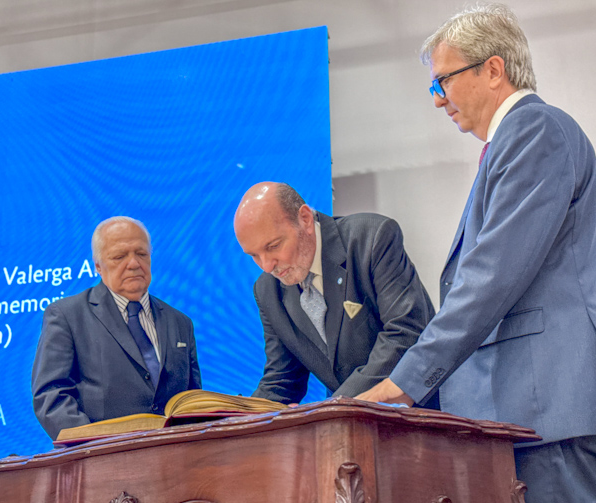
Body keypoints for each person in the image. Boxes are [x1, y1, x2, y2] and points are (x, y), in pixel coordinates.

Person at [357, 4, 596, 501]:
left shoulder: (535, 130)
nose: (437, 99)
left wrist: (405, 383)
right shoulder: (517, 139)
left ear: (493, 69)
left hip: (548, 410)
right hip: (526, 413)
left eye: (442, 80)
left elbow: (491, 276)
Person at [233, 182, 435, 405]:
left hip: (419, 412)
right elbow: (282, 379)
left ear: (305, 219)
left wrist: (335, 405)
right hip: (347, 419)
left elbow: (405, 332)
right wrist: (236, 416)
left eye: (273, 246)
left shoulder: (371, 239)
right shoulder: (267, 290)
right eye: (254, 255)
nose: (267, 266)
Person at [32, 216, 201, 440]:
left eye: (141, 254)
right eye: (119, 256)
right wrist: (93, 446)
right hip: (103, 456)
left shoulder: (180, 322)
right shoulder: (67, 316)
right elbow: (51, 396)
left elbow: (193, 401)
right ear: (98, 267)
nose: (133, 264)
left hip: (175, 454)